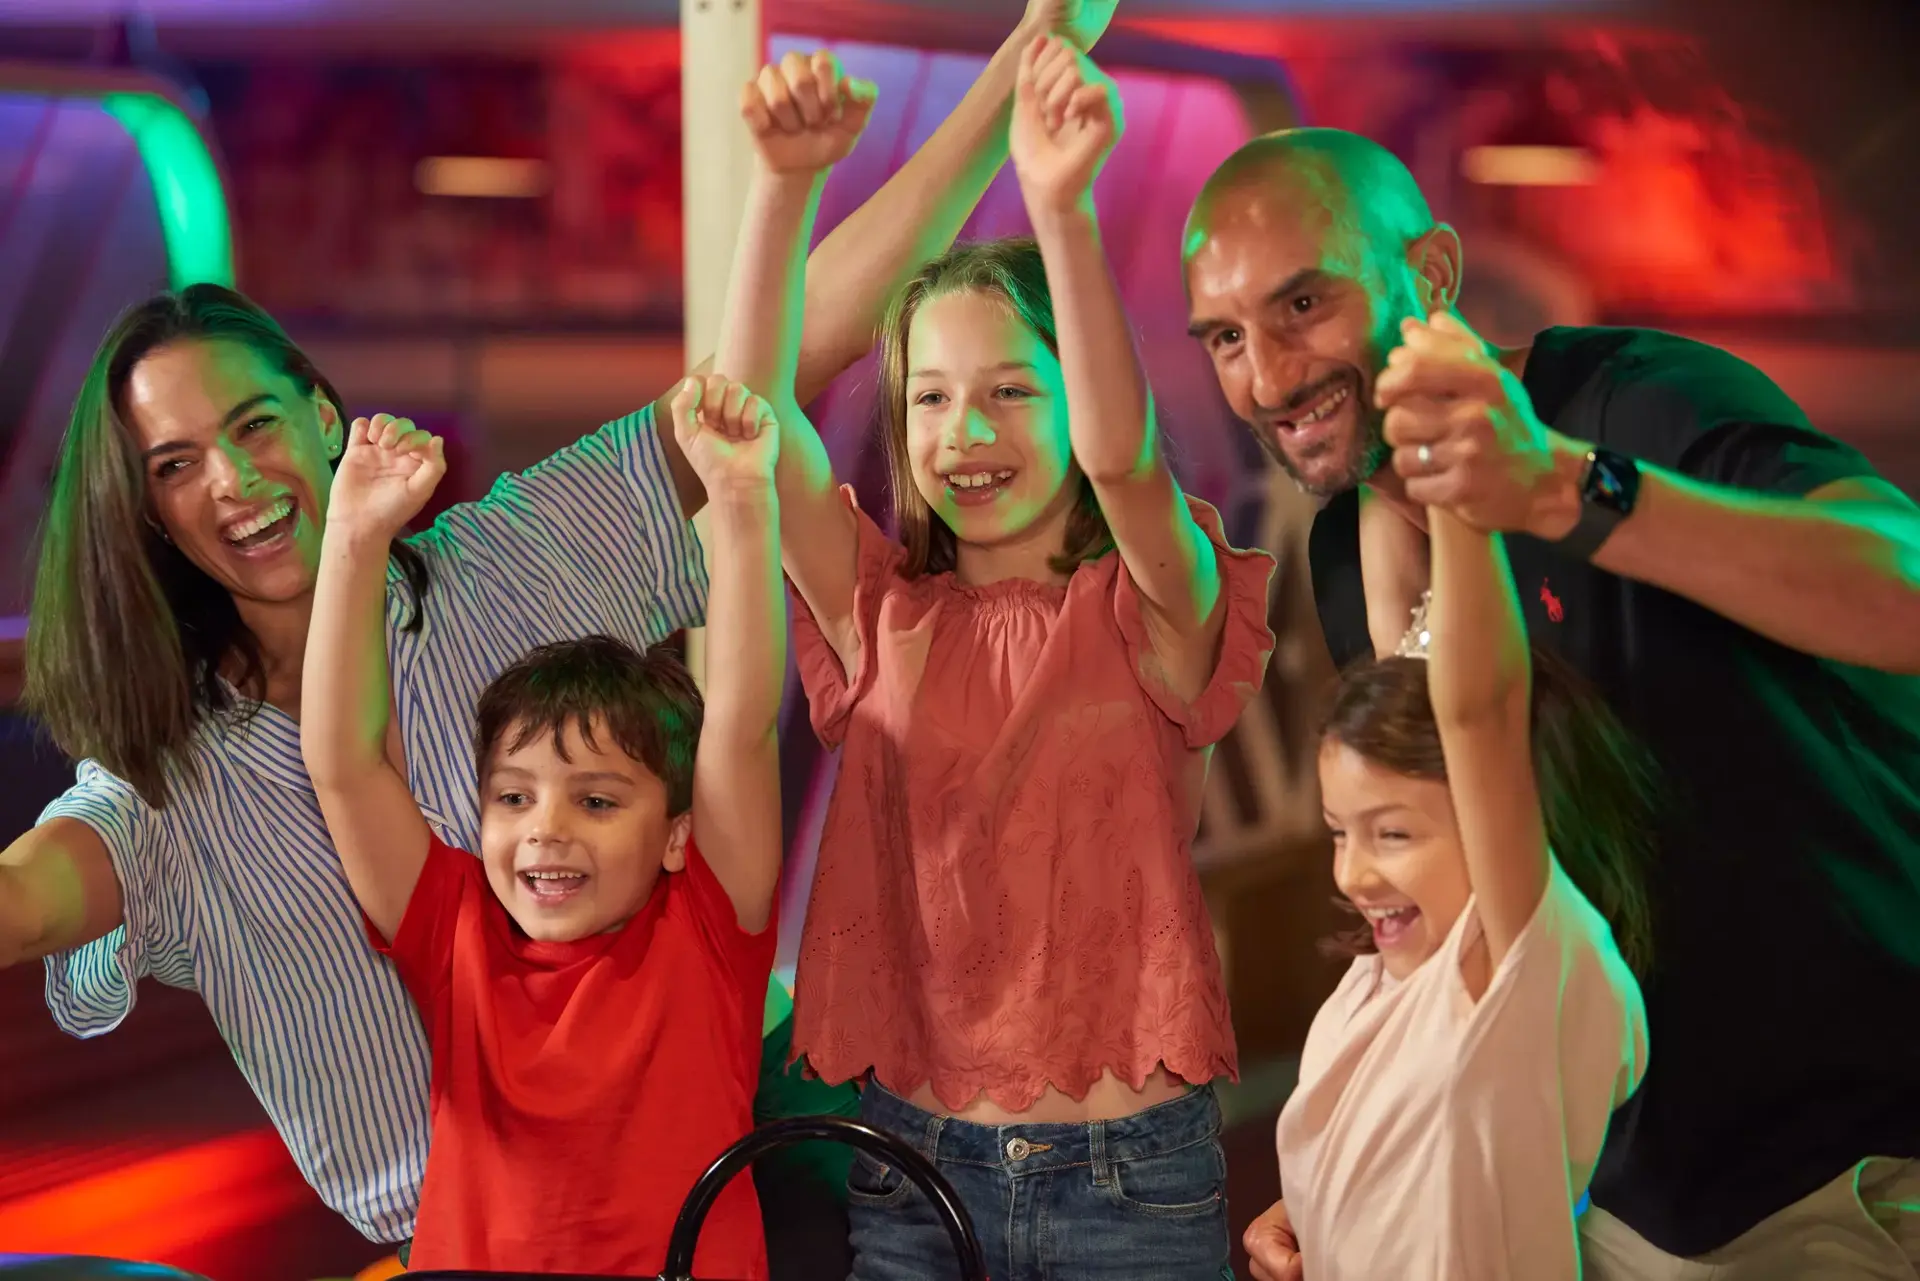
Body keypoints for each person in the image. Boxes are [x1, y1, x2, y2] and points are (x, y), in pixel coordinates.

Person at [0, 0, 1120, 1254]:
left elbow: (751, 399)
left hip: (745, 1140)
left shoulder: (506, 561)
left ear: (324, 417)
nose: (231, 480)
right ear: (143, 513)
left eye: (255, 424)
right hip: (483, 1233)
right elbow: (35, 899)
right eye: (174, 464)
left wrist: (1025, 67)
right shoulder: (168, 783)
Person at [1183, 129, 1920, 1279]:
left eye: (1304, 305)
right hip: (1599, 1196)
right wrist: (1371, 1156)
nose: (1267, 379)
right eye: (1227, 338)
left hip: (1834, 1178)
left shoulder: (1636, 403)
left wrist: (1569, 489)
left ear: (1429, 276)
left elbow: (1904, 588)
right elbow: (1457, 888)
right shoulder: (1348, 557)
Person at [745, 36, 1276, 1279]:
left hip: (1130, 1181)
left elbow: (1127, 464)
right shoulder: (879, 612)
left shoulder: (1154, 598)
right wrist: (781, 192)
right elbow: (759, 413)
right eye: (928, 398)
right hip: (912, 1172)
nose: (964, 430)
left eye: (1010, 393)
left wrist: (1063, 209)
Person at [300, 378, 784, 1274]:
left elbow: (744, 726)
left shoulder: (707, 927)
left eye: (596, 800)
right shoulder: (455, 932)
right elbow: (345, 762)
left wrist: (745, 502)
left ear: (677, 833)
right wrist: (355, 538)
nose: (544, 830)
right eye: (513, 797)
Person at [1278, 497, 1653, 1278]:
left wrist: (1451, 464)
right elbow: (1396, 655)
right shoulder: (1383, 979)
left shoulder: (1518, 964)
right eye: (1340, 831)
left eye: (1393, 834)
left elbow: (1478, 708)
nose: (1353, 873)